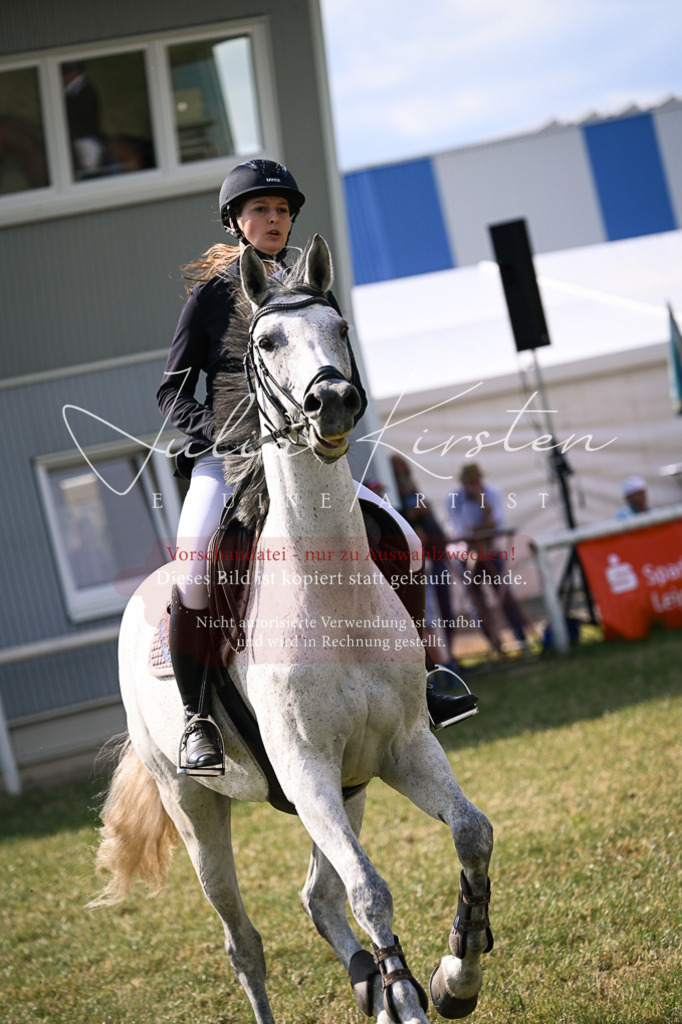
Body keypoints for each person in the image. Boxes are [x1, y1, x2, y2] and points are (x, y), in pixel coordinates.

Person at [158, 159, 467, 775]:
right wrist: (218, 433)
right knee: (195, 567)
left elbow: (337, 366)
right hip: (232, 459)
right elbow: (171, 390)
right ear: (236, 221)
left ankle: (424, 673)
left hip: (307, 458)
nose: (272, 220)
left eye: (281, 211)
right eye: (259, 211)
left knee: (401, 539)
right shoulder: (212, 297)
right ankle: (196, 718)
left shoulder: (310, 289)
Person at [447, 462, 528, 655]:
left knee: (503, 593)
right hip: (466, 554)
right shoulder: (454, 499)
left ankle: (521, 636)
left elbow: (496, 524)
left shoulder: (492, 493)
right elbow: (460, 529)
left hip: (490, 551)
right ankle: (494, 641)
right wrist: (481, 529)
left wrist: (482, 504)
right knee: (476, 601)